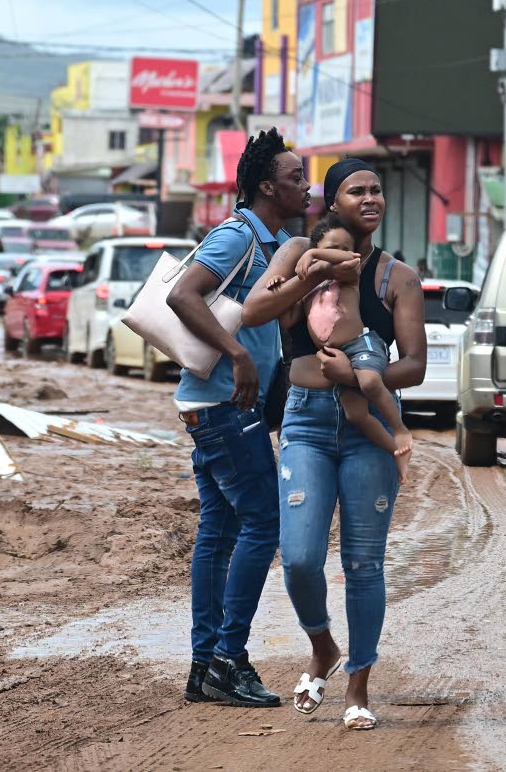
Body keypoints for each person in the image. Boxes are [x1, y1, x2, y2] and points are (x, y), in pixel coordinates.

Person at [241, 158, 426, 731]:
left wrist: (358, 378)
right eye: (356, 190)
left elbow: (415, 366)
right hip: (305, 425)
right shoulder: (299, 250)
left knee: (364, 563)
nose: (370, 198)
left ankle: (358, 688)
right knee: (298, 557)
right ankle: (323, 646)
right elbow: (255, 310)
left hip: (365, 425)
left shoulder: (397, 277)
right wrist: (312, 273)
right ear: (330, 201)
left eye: (377, 190)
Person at [166, 128, 310, 708]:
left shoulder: (268, 239)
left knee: (220, 530)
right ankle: (229, 657)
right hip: (223, 406)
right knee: (263, 523)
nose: (305, 185)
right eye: (296, 177)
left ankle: (205, 667)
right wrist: (238, 353)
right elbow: (183, 294)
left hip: (213, 407)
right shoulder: (238, 236)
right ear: (266, 186)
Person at [264, 214, 413, 482]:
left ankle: (400, 429)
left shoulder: (350, 276)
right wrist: (281, 286)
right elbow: (287, 318)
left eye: (346, 247)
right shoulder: (308, 286)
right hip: (336, 358)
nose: (342, 253)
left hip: (362, 346)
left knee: (369, 382)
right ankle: (396, 450)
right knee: (356, 414)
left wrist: (313, 254)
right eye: (334, 247)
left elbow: (349, 260)